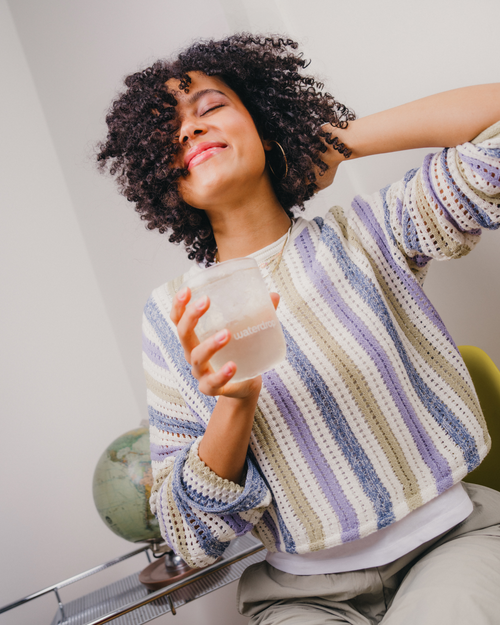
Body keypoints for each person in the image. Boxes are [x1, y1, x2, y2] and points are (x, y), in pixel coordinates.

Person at [97, 35, 500, 624]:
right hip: (301, 596)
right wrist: (234, 405)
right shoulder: (171, 318)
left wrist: (336, 143)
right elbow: (188, 535)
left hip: (450, 542)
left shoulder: (370, 233)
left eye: (210, 107)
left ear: (262, 124)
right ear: (163, 176)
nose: (189, 130)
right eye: (169, 130)